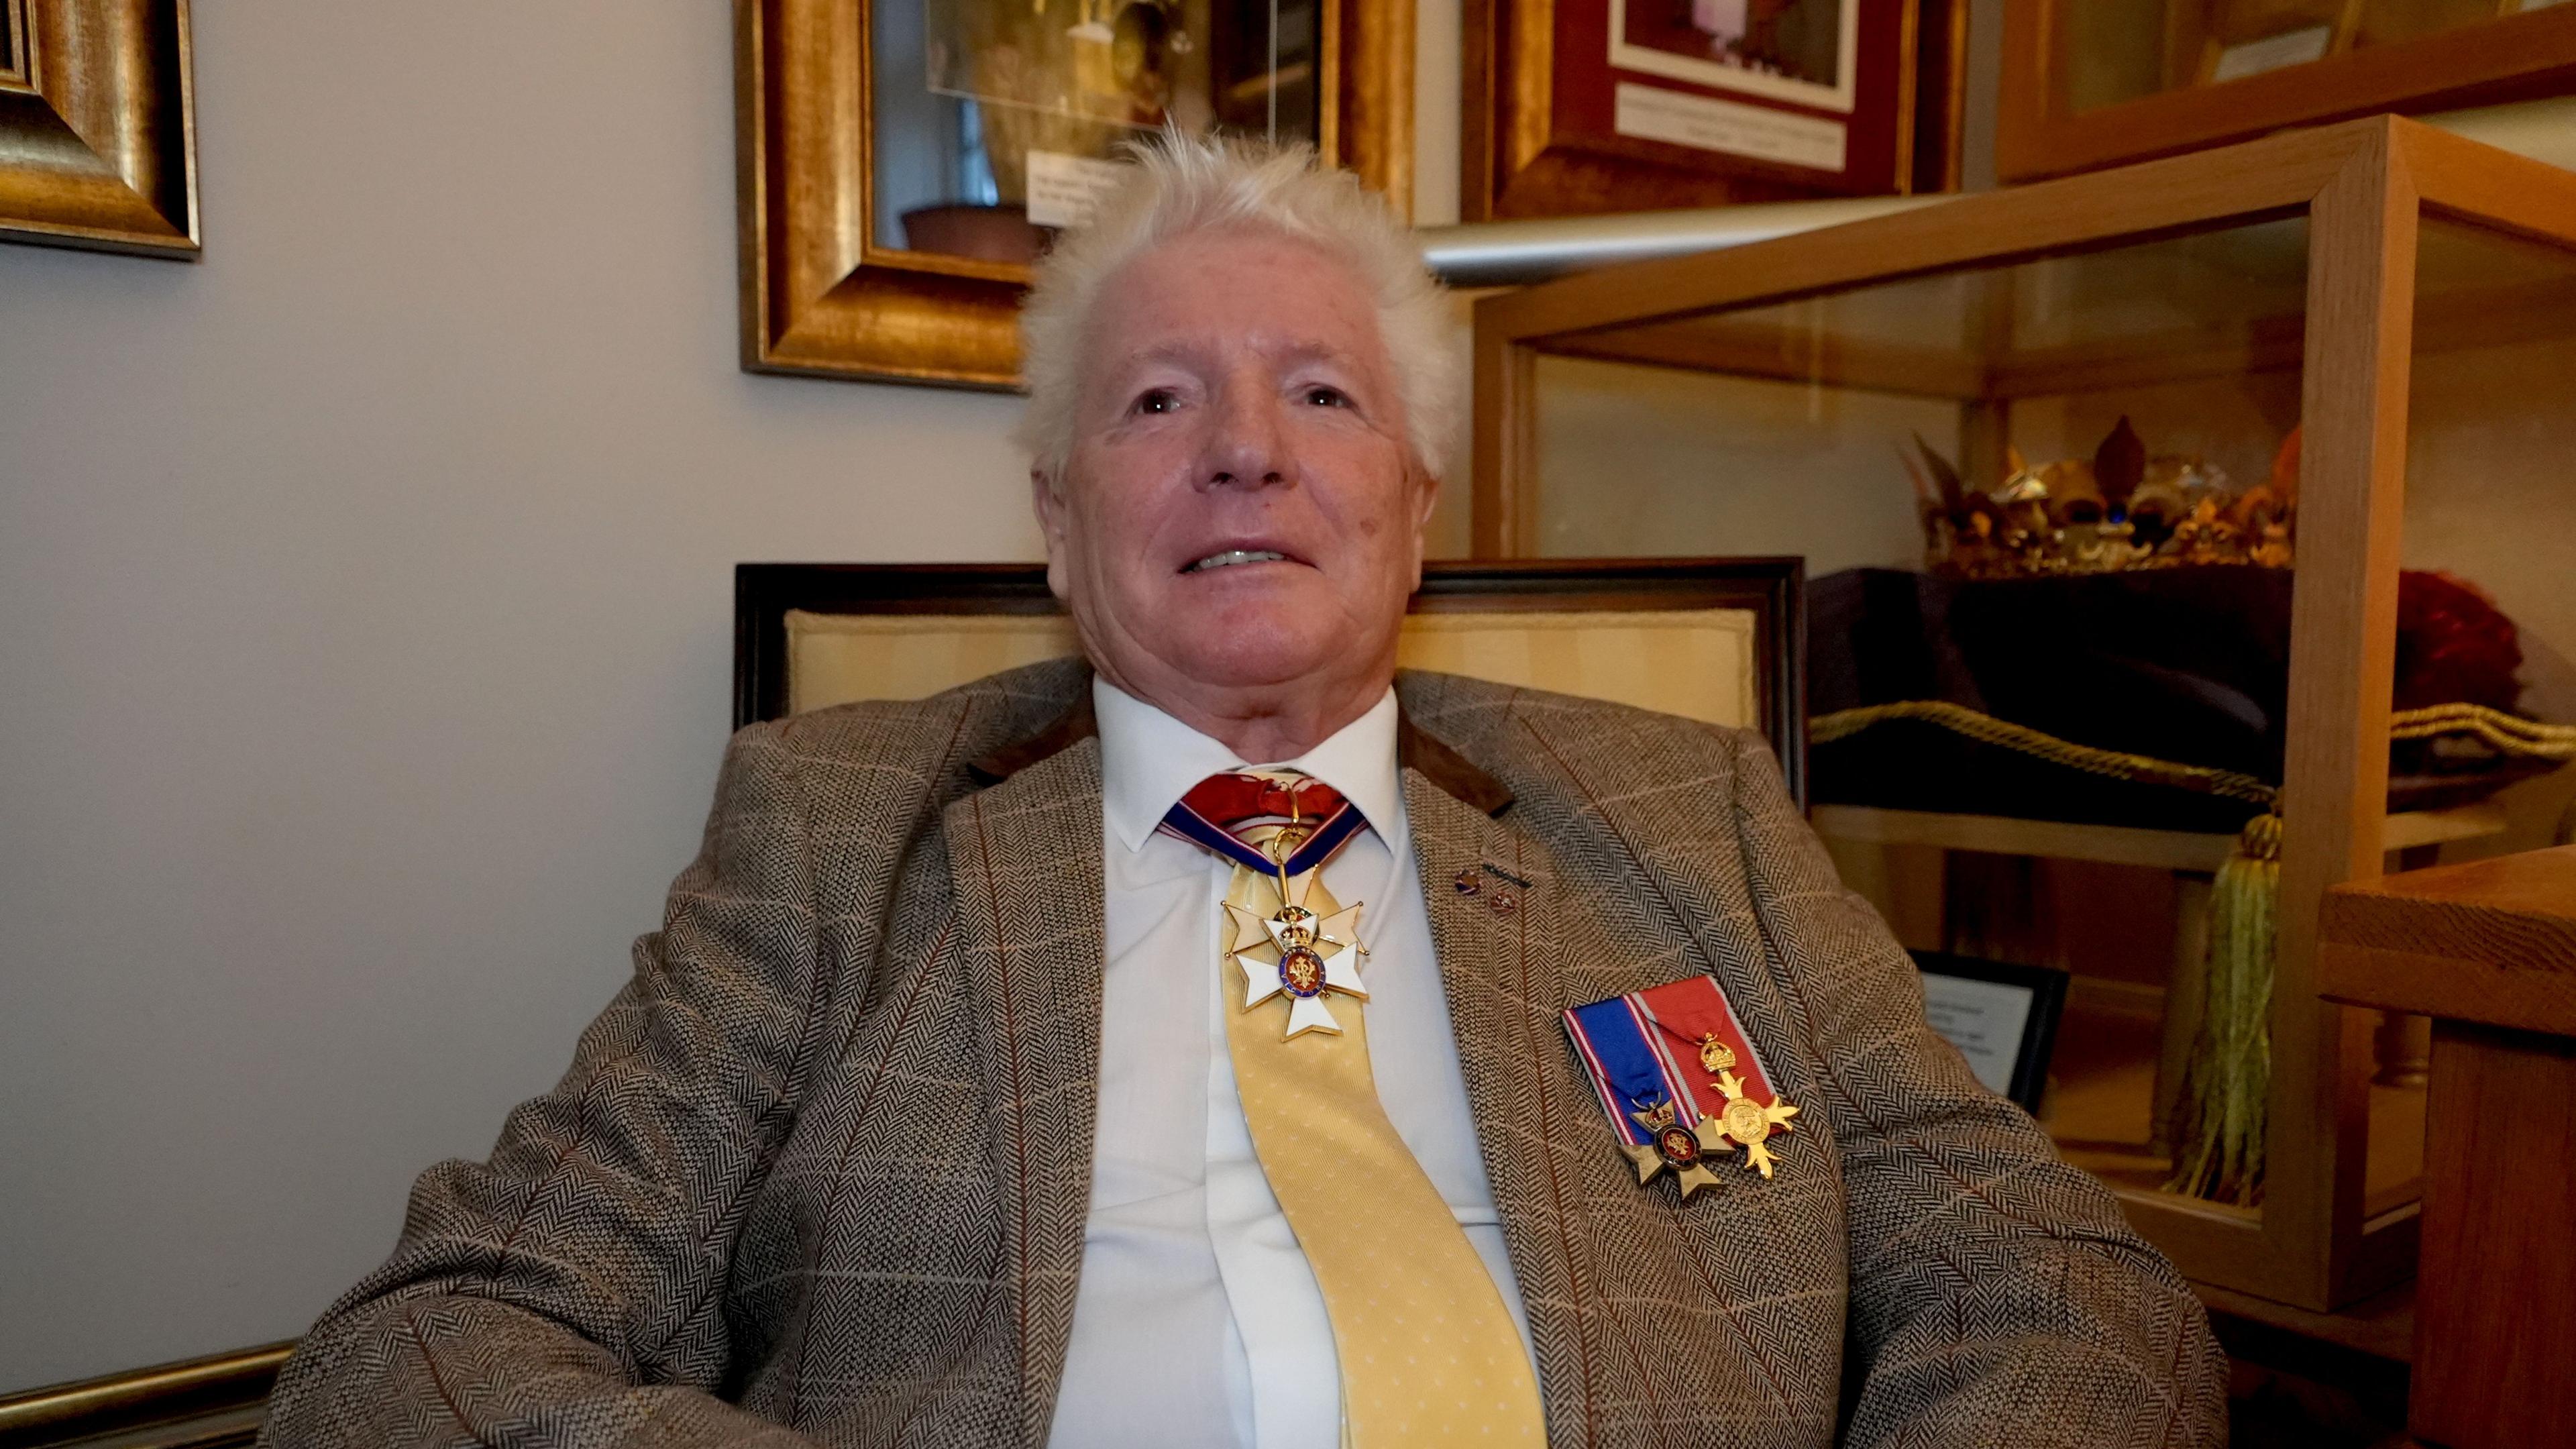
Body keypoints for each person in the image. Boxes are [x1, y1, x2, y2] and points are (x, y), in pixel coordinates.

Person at [261, 136, 2226, 1449]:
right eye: (1155, 399)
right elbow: (420, 1355)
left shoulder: (1685, 815)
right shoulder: (832, 831)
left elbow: (2060, 1284)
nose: (1244, 457)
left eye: (1321, 393)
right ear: (1058, 519)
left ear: (1416, 504)